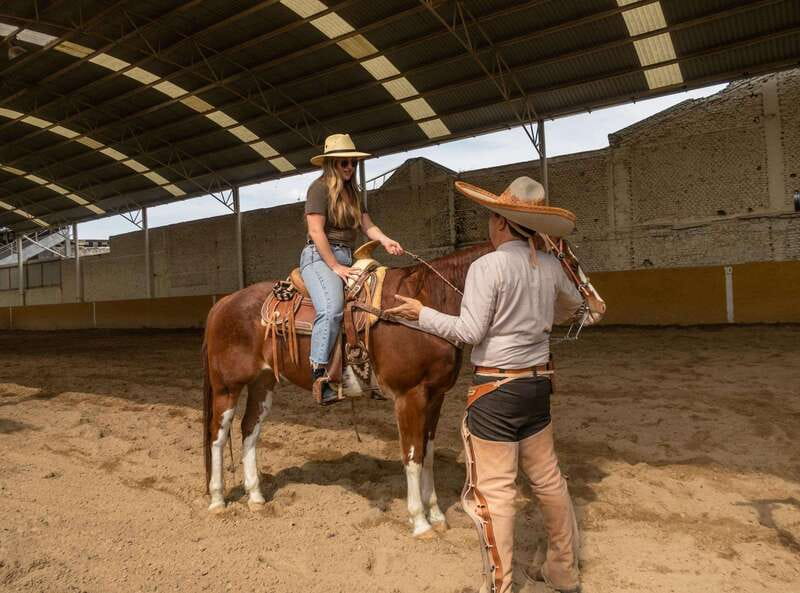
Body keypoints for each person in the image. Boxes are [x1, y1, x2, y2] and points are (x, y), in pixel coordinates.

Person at [387, 176, 604, 593]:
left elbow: (469, 332)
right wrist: (536, 317)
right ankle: (563, 570)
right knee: (548, 480)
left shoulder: (487, 266)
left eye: (491, 217)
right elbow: (578, 309)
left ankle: (500, 586)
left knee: (496, 494)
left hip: (496, 393)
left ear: (501, 222)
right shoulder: (552, 266)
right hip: (538, 387)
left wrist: (421, 314)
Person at [302, 133, 403, 405]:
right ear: (332, 163)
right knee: (332, 309)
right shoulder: (318, 189)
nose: (349, 167)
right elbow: (315, 230)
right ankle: (320, 376)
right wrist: (334, 266)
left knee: (371, 306)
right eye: (344, 162)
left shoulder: (353, 193)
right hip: (319, 257)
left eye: (352, 163)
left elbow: (367, 225)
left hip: (349, 257)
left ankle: (361, 375)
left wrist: (384, 239)